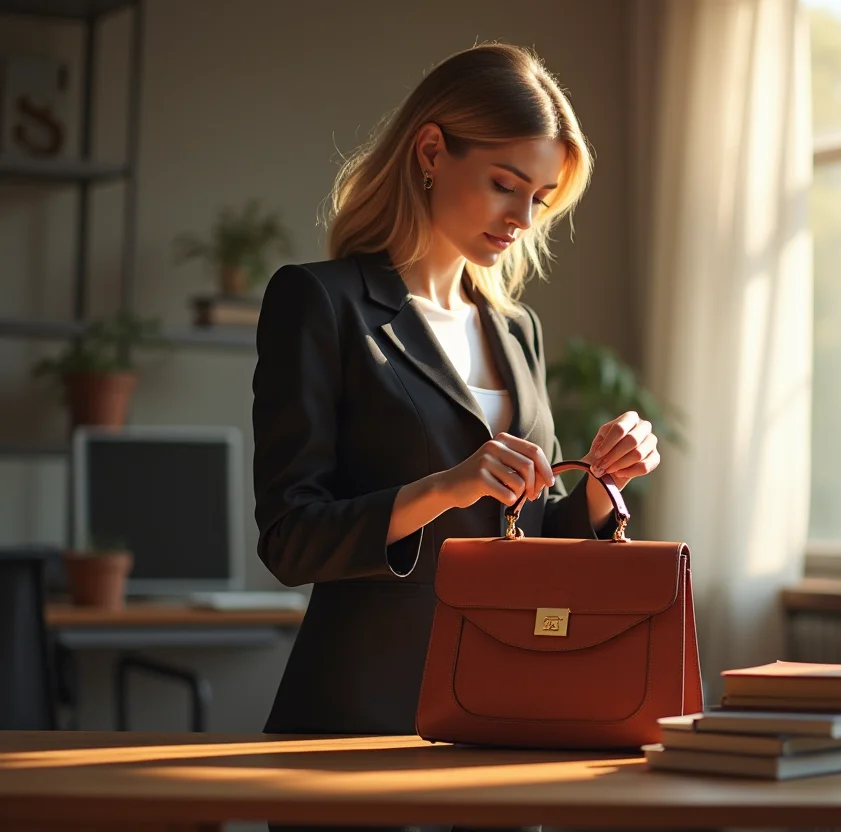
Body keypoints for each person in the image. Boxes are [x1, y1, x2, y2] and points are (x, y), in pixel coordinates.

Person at [251, 43, 662, 832]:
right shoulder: (319, 302)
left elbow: (529, 537)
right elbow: (290, 539)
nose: (523, 219)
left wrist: (600, 487)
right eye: (505, 184)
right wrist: (446, 486)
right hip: (357, 724)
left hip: (507, 723)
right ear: (432, 152)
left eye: (540, 197)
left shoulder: (517, 328)